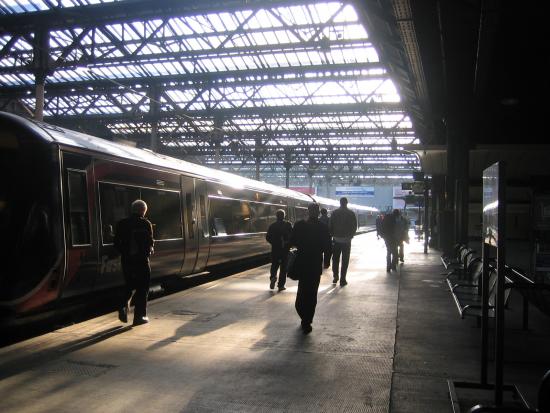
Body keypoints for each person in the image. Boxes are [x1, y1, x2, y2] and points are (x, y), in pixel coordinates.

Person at [290, 203, 331, 334]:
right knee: (312, 293)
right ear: (318, 212)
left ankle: (304, 316)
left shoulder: (299, 225)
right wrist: (327, 261)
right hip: (315, 263)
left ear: (308, 211)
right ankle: (307, 320)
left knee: (302, 292)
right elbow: (328, 246)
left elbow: (292, 241)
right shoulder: (323, 227)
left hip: (302, 262)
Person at [114, 199, 154, 326]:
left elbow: (116, 243)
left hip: (127, 260)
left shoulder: (122, 223)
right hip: (142, 261)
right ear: (143, 211)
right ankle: (139, 317)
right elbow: (150, 242)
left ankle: (123, 305)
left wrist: (125, 253)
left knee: (129, 284)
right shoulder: (146, 224)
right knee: (143, 287)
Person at [328, 197, 357, 286]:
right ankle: (343, 279)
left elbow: (330, 225)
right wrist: (351, 235)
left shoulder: (334, 213)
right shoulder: (351, 213)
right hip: (347, 240)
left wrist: (332, 234)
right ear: (346, 203)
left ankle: (335, 276)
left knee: (335, 259)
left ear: (340, 203)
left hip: (336, 240)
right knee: (345, 260)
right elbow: (354, 226)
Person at [265, 209, 292, 292]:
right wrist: (289, 244)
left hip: (275, 249)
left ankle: (273, 277)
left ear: (276, 216)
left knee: (274, 265)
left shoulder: (272, 226)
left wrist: (274, 243)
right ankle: (281, 285)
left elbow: (267, 237)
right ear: (284, 216)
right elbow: (292, 236)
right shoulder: (288, 224)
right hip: (285, 250)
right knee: (283, 268)